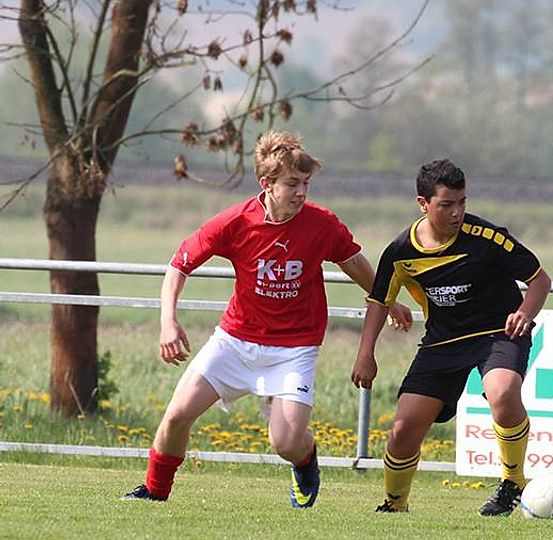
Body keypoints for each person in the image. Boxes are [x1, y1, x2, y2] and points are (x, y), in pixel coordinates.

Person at [121, 130, 412, 508]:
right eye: (292, 184)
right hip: (234, 342)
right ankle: (155, 491)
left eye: (306, 183)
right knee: (177, 415)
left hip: (295, 348)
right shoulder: (235, 222)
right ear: (266, 184)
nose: (301, 192)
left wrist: (389, 300)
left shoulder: (322, 224)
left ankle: (305, 462)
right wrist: (168, 322)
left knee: (286, 443)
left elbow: (353, 262)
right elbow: (179, 264)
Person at [351, 158, 551, 516]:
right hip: (443, 342)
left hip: (498, 333)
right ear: (423, 203)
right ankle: (395, 504)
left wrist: (524, 313)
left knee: (503, 391)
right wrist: (365, 353)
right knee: (403, 428)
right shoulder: (400, 252)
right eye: (446, 204)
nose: (457, 212)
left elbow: (539, 280)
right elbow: (379, 301)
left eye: (462, 202)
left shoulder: (487, 238)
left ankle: (513, 483)